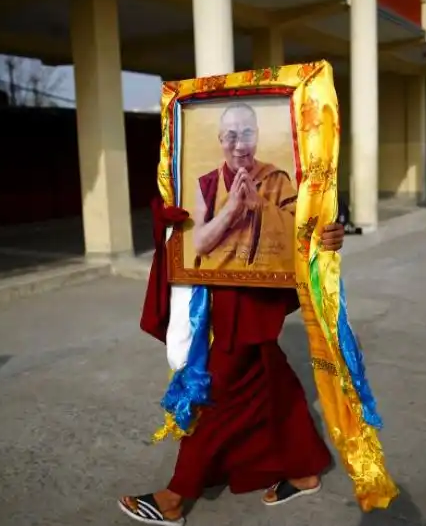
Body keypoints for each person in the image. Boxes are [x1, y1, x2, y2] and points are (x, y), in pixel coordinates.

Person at [121, 193, 347, 524]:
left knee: (216, 387)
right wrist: (172, 219)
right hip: (209, 277)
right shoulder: (193, 151)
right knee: (266, 374)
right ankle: (303, 468)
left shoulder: (278, 156)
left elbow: (307, 202)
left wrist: (323, 234)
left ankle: (175, 496)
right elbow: (173, 197)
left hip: (251, 286)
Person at [192, 102, 298, 273]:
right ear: (221, 139)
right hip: (219, 288)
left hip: (266, 289)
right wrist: (231, 209)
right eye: (231, 136)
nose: (240, 145)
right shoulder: (207, 184)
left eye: (247, 134)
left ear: (256, 136)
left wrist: (260, 205)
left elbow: (299, 234)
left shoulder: (276, 179)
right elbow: (199, 245)